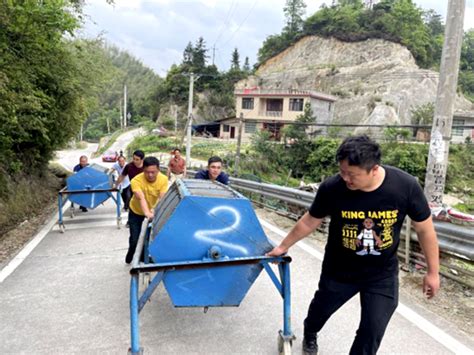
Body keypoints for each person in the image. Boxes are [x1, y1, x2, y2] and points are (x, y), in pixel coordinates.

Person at [267, 135, 440, 355]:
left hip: (381, 275)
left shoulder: (404, 186)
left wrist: (433, 272)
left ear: (374, 169)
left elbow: (425, 229)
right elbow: (311, 220)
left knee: (372, 331)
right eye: (342, 172)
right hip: (340, 270)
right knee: (320, 311)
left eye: (352, 175)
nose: (346, 179)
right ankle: (310, 331)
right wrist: (283, 246)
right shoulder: (332, 188)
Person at [125, 156, 169, 264]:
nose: (150, 175)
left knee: (147, 238)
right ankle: (131, 252)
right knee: (135, 239)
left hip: (153, 212)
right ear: (143, 170)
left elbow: (162, 198)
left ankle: (142, 257)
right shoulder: (136, 180)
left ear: (158, 170)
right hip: (136, 212)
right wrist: (147, 213)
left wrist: (153, 211)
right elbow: (141, 198)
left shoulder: (163, 179)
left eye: (153, 172)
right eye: (147, 172)